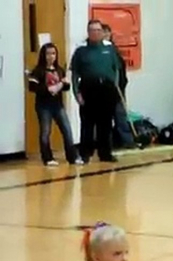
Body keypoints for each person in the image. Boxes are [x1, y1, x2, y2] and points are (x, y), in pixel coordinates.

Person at [71, 19, 121, 163]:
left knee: (105, 124)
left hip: (106, 89)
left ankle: (105, 153)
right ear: (88, 32)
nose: (96, 33)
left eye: (98, 30)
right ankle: (85, 153)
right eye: (92, 30)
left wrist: (115, 86)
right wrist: (77, 93)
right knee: (87, 123)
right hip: (88, 88)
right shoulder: (81, 51)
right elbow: (75, 74)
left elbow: (116, 69)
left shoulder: (109, 49)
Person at [27, 43, 82, 166]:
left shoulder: (59, 70)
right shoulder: (38, 71)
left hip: (58, 105)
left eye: (53, 53)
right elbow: (32, 87)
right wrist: (49, 89)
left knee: (67, 130)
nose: (51, 56)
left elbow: (66, 87)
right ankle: (47, 158)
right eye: (48, 54)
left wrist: (63, 83)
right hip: (44, 106)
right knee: (45, 132)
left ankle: (72, 157)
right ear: (43, 55)